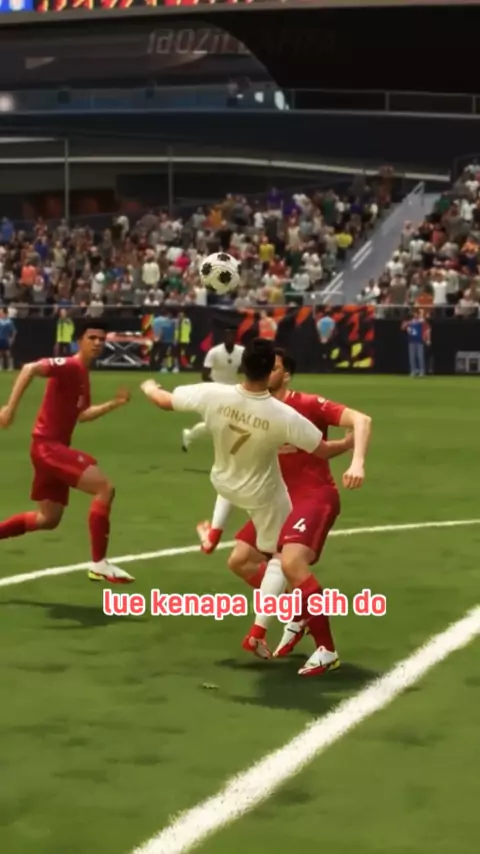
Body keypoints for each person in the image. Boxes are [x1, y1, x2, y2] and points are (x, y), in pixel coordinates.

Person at [140, 340, 363, 614]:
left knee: (249, 559)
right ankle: (296, 612)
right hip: (261, 493)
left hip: (227, 483)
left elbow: (164, 401)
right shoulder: (282, 414)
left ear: (242, 366)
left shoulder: (214, 393)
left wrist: (149, 386)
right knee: (280, 558)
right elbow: (324, 449)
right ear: (269, 372)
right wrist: (348, 445)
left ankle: (219, 542)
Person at [198, 348, 372, 676]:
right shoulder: (253, 411)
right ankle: (299, 610)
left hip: (314, 496)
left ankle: (326, 650)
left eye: (276, 367)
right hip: (277, 500)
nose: (269, 371)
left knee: (291, 562)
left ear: (286, 375)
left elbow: (362, 420)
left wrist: (357, 462)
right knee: (240, 560)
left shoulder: (306, 405)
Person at [0, 320, 134, 584]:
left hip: (48, 449)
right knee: (104, 488)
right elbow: (29, 368)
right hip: (48, 446)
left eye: (101, 339)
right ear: (79, 341)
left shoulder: (82, 374)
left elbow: (82, 414)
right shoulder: (69, 365)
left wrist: (114, 404)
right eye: (92, 338)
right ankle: (99, 564)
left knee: (48, 519)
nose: (98, 343)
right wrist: (9, 408)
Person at [181, 327, 244, 454]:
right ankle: (190, 435)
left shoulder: (242, 351)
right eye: (227, 335)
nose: (229, 338)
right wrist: (216, 389)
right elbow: (205, 374)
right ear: (223, 338)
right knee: (215, 423)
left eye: (232, 335)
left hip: (234, 391)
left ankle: (190, 435)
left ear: (235, 337)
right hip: (217, 391)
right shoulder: (214, 352)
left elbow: (247, 368)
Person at [402, 309, 426, 377]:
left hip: (419, 341)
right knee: (412, 357)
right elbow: (403, 327)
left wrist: (421, 314)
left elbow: (423, 321)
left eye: (416, 314)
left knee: (420, 357)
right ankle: (413, 371)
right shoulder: (410, 322)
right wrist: (407, 323)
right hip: (411, 341)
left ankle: (421, 371)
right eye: (414, 313)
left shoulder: (420, 321)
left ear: (418, 314)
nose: (415, 315)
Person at [0, 306, 16, 371]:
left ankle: (10, 366)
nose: (0, 313)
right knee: (0, 353)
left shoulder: (9, 322)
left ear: (5, 313)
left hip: (6, 339)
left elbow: (14, 331)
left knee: (8, 353)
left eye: (1, 312)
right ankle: (1, 366)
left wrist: (12, 339)